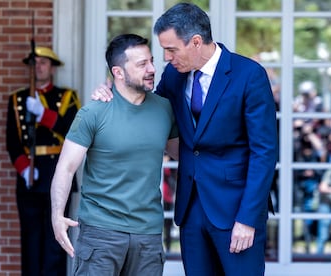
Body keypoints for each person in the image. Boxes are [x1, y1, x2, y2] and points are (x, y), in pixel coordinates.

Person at [92, 3, 278, 275]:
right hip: (191, 210)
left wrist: (248, 219)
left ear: (196, 42)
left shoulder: (249, 75)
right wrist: (110, 94)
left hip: (236, 210)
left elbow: (264, 152)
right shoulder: (174, 75)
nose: (166, 58)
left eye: (171, 49)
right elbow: (147, 107)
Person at [50, 34, 178, 276]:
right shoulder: (93, 112)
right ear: (118, 73)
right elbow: (65, 168)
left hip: (148, 235)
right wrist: (57, 216)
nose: (152, 69)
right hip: (101, 234)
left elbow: (183, 152)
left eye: (151, 61)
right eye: (142, 64)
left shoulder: (164, 109)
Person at [6, 47, 81, 276]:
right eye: (34, 62)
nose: (38, 66)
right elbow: (12, 140)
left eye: (43, 62)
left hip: (56, 172)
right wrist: (23, 167)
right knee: (30, 240)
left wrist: (43, 114)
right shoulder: (18, 99)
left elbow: (73, 130)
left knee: (54, 240)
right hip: (29, 177)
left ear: (52, 67)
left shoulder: (67, 97)